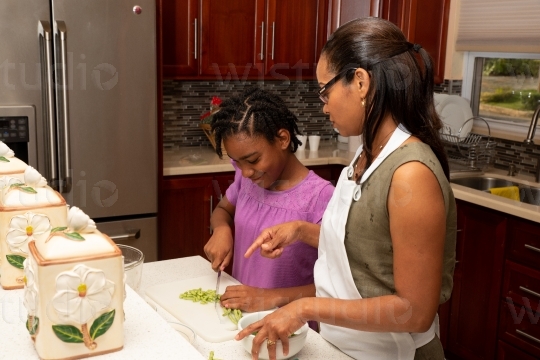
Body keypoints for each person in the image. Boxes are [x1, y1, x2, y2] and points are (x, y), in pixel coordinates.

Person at [237, 17, 457, 360]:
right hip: (346, 348)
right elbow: (368, 244)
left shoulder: (410, 173)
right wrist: (301, 231)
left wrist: (304, 307)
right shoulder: (366, 154)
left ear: (360, 81)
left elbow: (413, 311)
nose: (323, 104)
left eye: (325, 89)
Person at [203, 86, 335, 315]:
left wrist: (269, 298)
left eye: (252, 160)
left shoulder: (321, 197)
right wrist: (221, 229)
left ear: (283, 139)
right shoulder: (248, 179)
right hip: (243, 317)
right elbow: (223, 210)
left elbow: (336, 287)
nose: (245, 172)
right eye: (237, 162)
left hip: (292, 330)